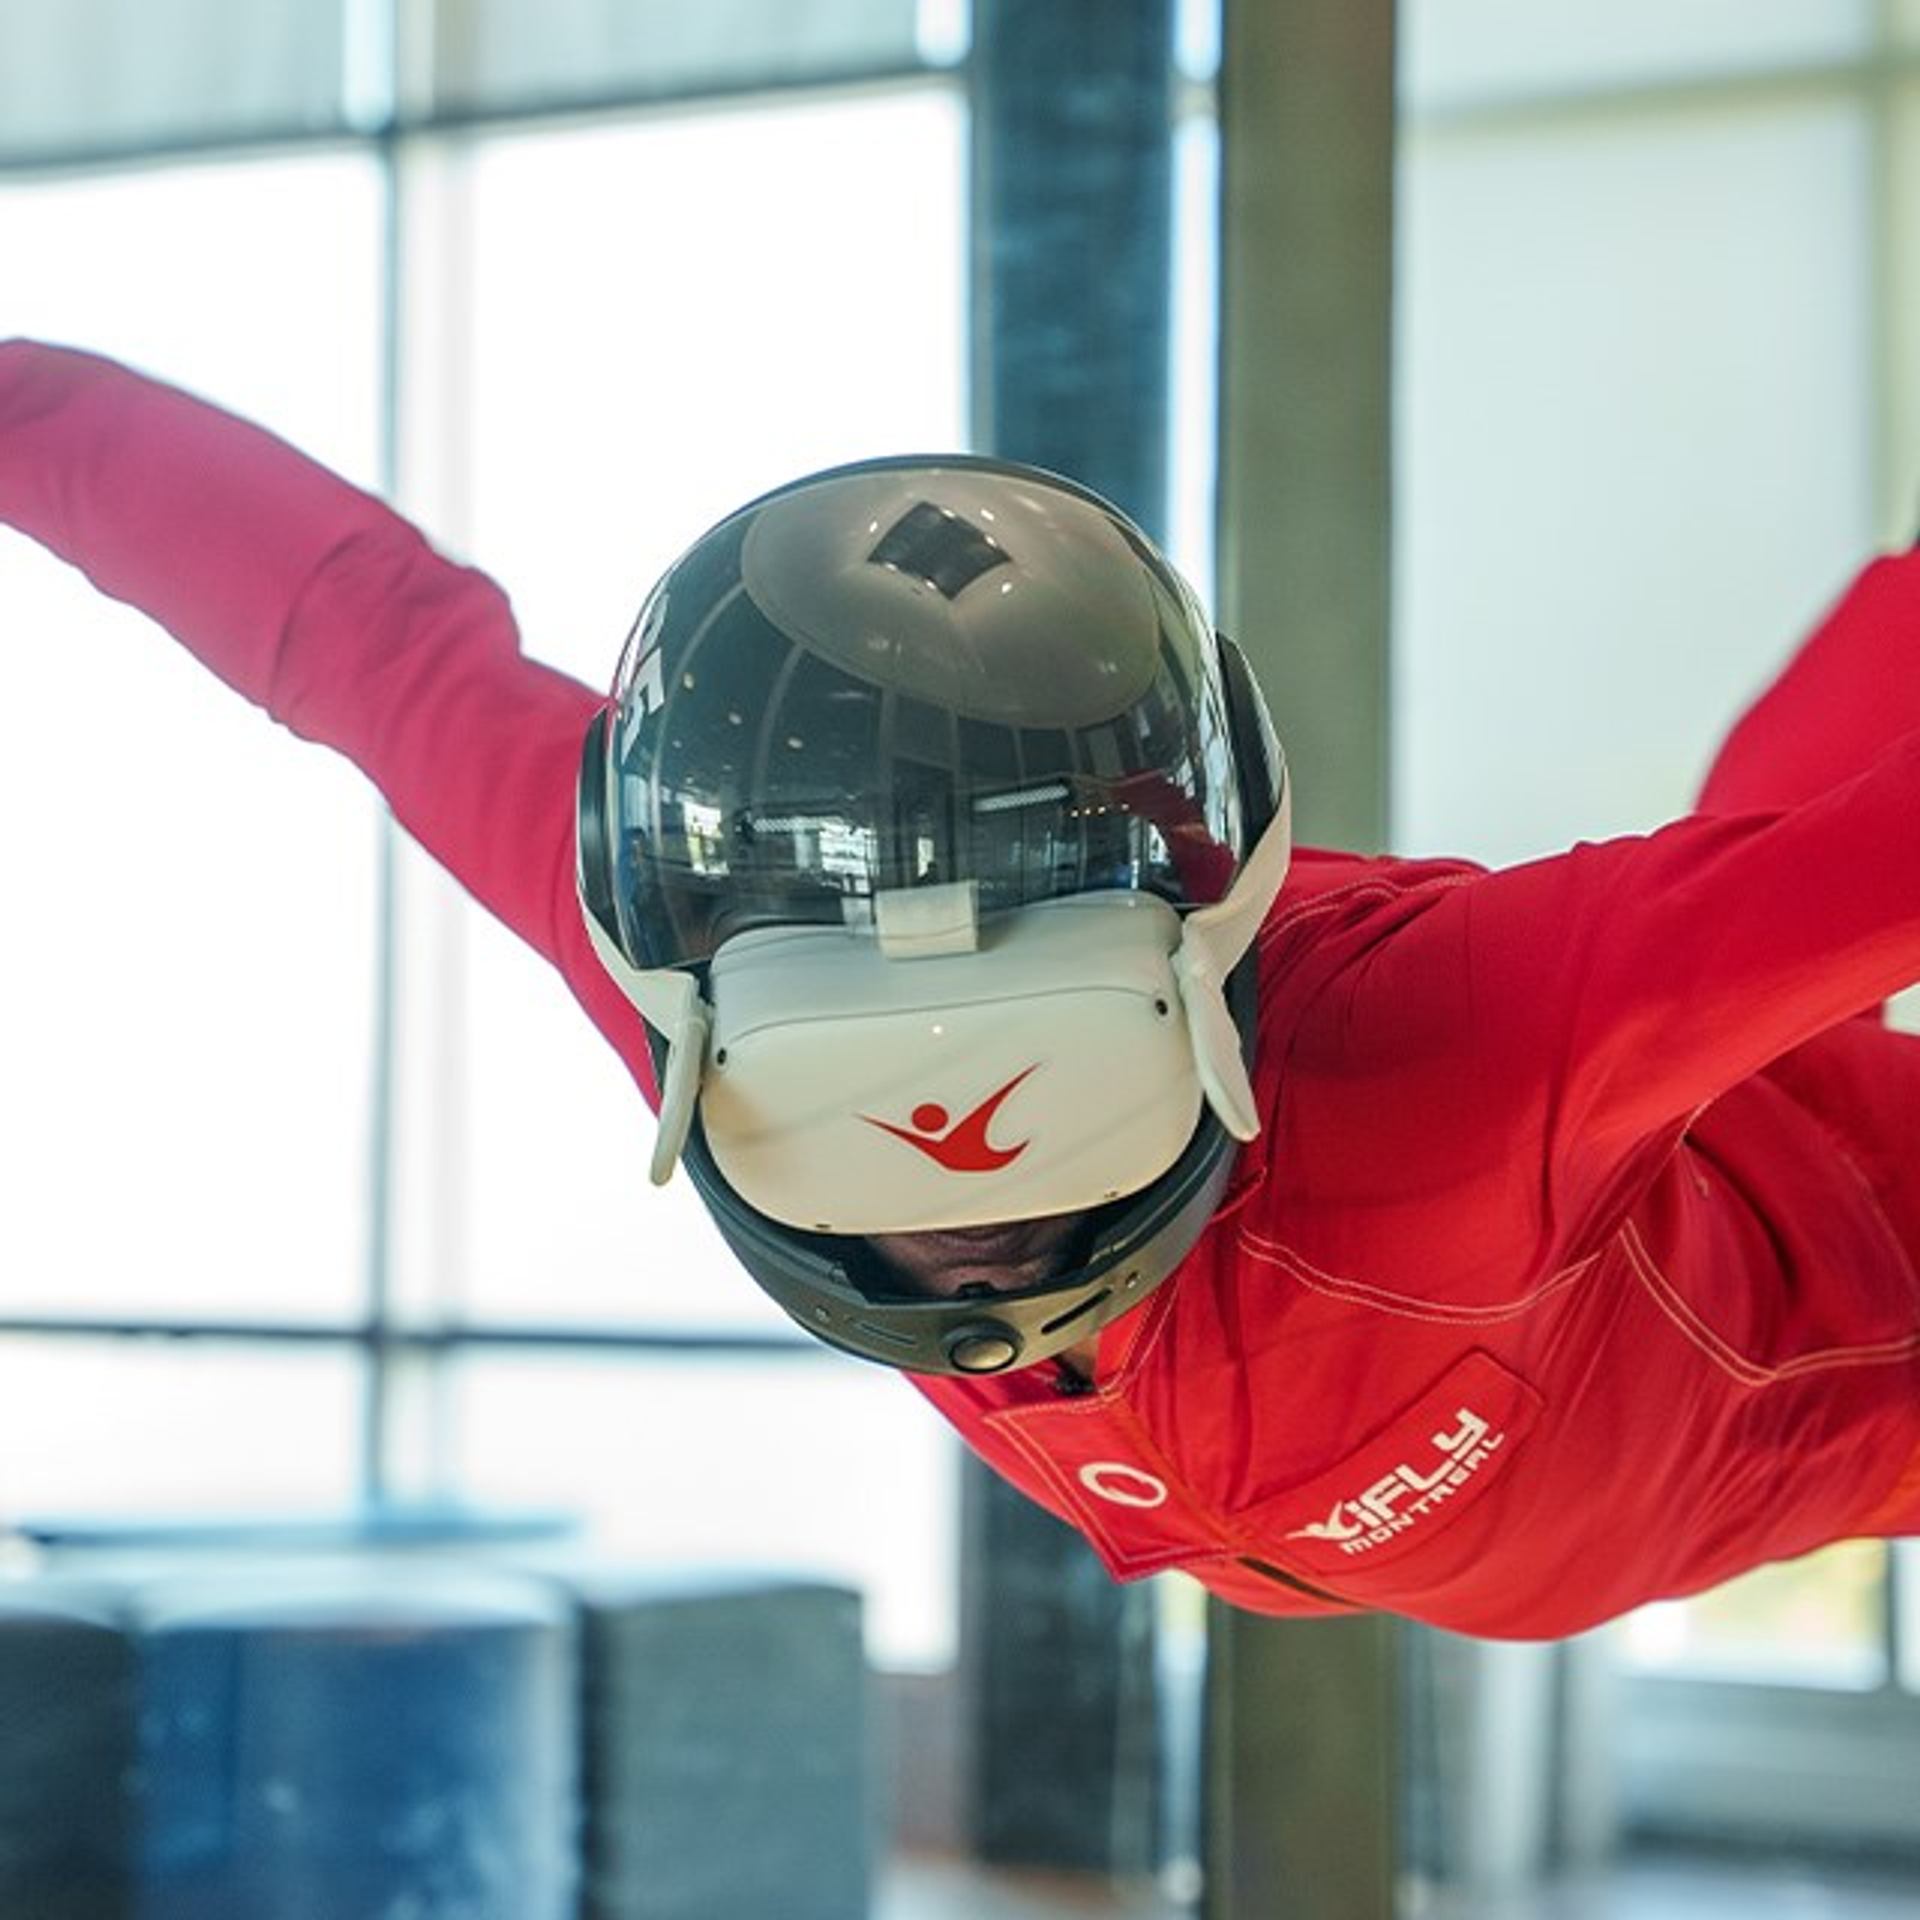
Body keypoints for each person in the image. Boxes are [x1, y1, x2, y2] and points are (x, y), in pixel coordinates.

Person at [6, 336, 1920, 1642]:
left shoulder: (1473, 1042)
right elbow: (361, 643)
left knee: (1793, 905)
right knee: (1772, 869)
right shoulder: (676, 963)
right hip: (1557, 1348)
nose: (970, 1205)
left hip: (1840, 1329)